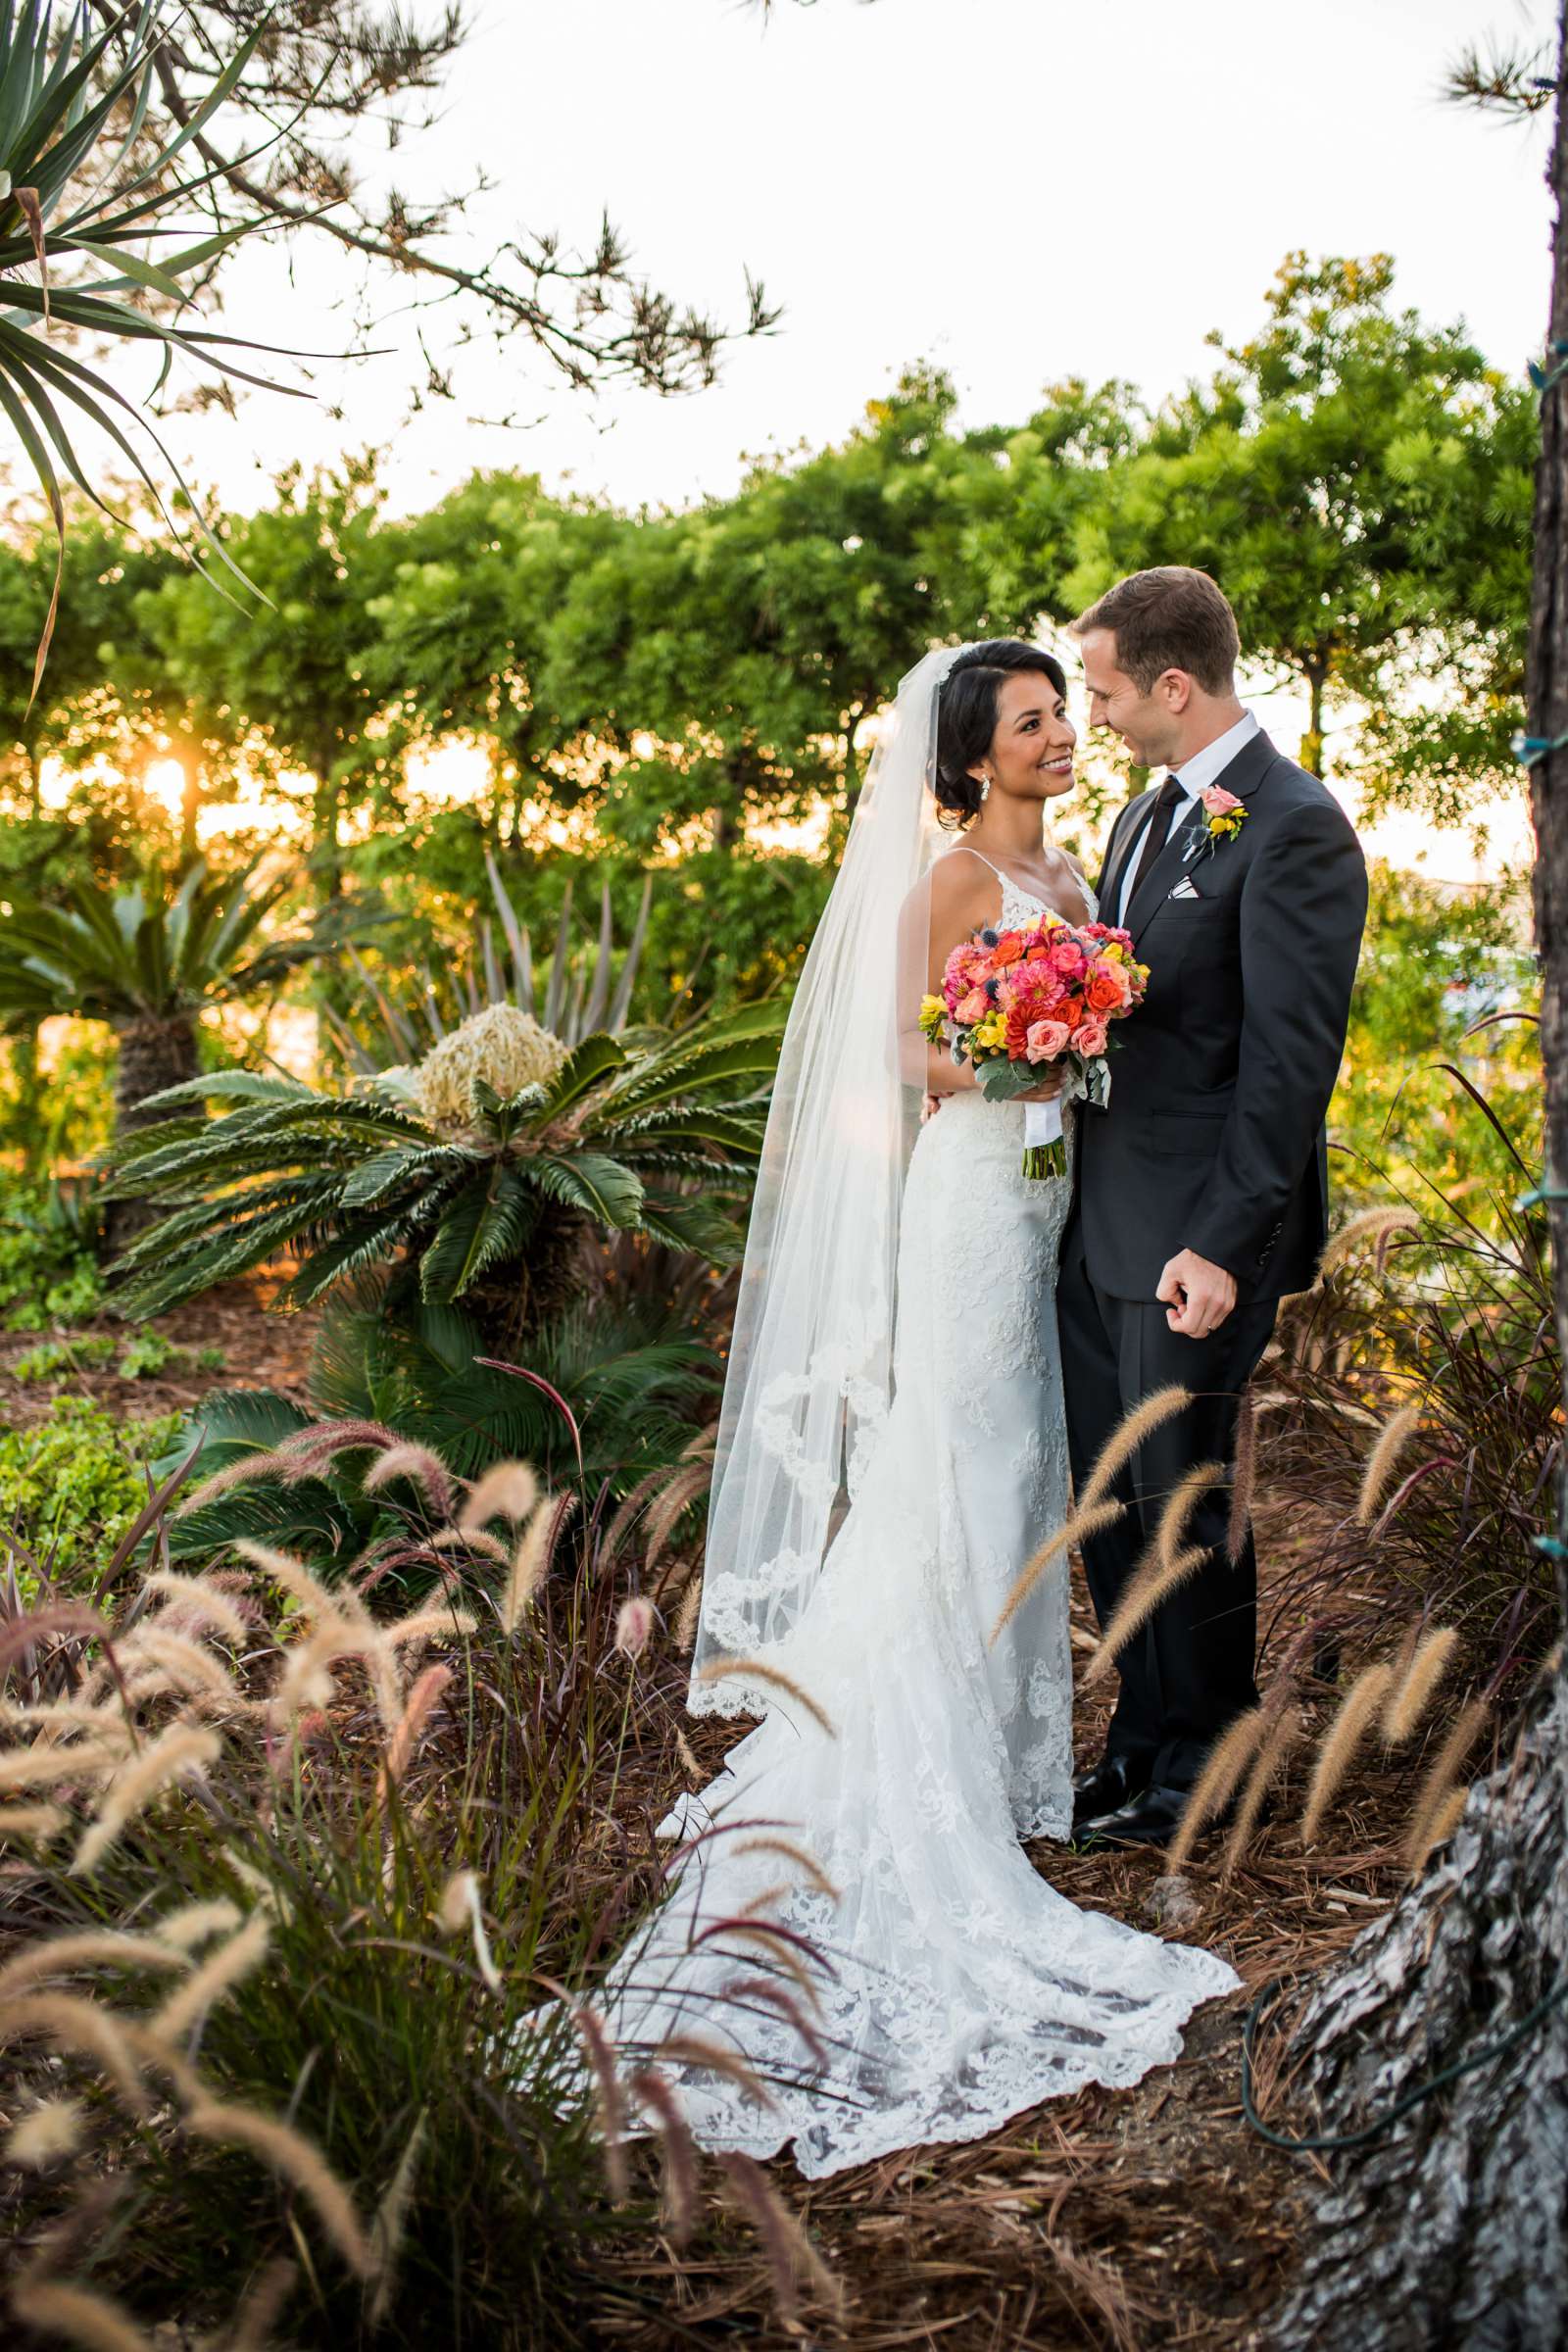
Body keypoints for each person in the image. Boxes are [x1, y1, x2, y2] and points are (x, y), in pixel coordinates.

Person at [595, 639, 1238, 2181]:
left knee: (1024, 1483)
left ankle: (1017, 1765)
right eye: (1032, 723)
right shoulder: (948, 881)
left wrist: (1072, 1034)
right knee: (950, 1472)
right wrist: (1014, 1049)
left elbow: (1110, 1040)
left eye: (1064, 717)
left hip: (1055, 1213)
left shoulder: (1081, 882)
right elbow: (897, 1050)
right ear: (970, 755)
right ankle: (915, 1766)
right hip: (968, 1207)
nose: (1062, 738)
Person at [1061, 568, 1369, 1851]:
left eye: (1107, 691)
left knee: (1185, 1504)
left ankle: (1209, 1765)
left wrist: (1222, 1247)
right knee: (1114, 1502)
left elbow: (1290, 1067)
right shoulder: (1142, 820)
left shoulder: (1296, 826)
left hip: (1196, 1237)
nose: (1097, 715)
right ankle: (1141, 1745)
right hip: (1098, 1224)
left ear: (1174, 687)